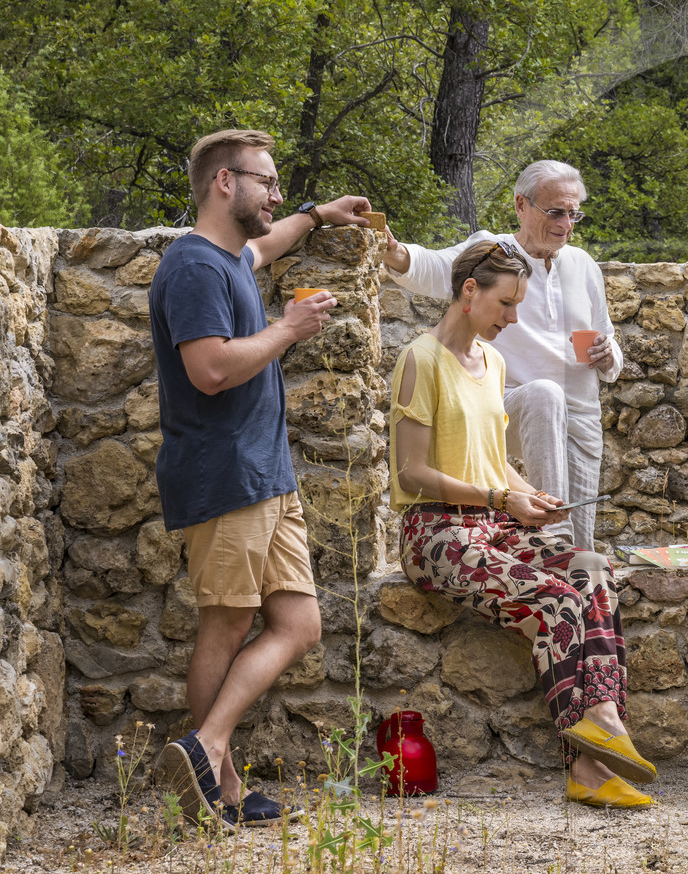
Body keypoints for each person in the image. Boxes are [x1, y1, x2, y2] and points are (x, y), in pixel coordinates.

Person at [151, 129, 370, 828]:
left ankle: (208, 754)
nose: (275, 193)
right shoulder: (192, 268)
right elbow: (209, 369)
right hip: (224, 474)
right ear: (225, 182)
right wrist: (290, 328)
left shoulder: (233, 256)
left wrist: (315, 212)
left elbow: (266, 245)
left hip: (266, 477)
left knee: (298, 623)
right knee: (226, 622)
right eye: (267, 181)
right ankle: (219, 778)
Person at [390, 239, 655, 809]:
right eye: (506, 305)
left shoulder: (492, 361)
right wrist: (498, 496)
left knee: (590, 566)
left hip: (490, 523)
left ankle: (603, 719)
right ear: (469, 292)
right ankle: (586, 764)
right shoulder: (420, 358)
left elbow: (491, 457)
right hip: (437, 535)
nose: (513, 319)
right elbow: (412, 472)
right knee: (556, 599)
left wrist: (529, 493)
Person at [382, 160, 621, 551]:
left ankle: (572, 559)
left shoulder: (584, 266)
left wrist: (609, 356)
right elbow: (437, 267)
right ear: (521, 205)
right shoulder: (494, 253)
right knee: (545, 395)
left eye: (573, 213)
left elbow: (609, 344)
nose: (566, 223)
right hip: (511, 407)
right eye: (555, 212)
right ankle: (552, 539)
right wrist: (396, 252)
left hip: (581, 418)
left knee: (583, 543)